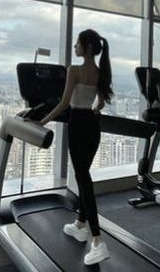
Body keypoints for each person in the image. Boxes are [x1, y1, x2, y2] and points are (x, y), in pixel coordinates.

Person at [35, 29, 114, 265]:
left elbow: (63, 104)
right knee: (83, 176)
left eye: (77, 44)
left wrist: (41, 121)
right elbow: (100, 103)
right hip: (93, 127)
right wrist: (94, 108)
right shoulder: (100, 72)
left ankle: (98, 241)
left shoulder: (75, 70)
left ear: (87, 47)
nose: (74, 47)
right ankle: (81, 225)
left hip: (78, 126)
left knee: (83, 180)